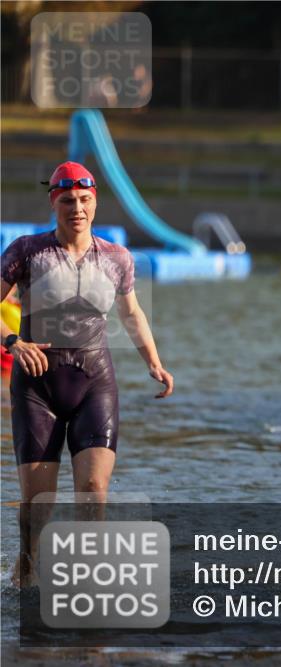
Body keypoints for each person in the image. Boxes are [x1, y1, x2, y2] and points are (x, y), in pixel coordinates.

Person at [1, 162, 174, 586]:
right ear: (53, 203)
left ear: (94, 202)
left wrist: (153, 361)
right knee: (38, 502)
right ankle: (27, 564)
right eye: (67, 201)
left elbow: (131, 313)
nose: (76, 208)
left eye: (84, 200)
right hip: (37, 386)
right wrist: (12, 343)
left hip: (94, 381)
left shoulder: (117, 257)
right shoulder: (26, 251)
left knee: (94, 491)